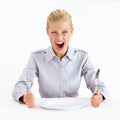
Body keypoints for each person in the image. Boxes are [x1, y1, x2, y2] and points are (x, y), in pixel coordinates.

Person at [12, 9, 109, 108]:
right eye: (54, 32)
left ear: (71, 32)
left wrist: (99, 96)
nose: (59, 38)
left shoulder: (82, 57)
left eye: (65, 32)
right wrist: (25, 97)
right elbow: (20, 86)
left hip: (74, 111)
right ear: (47, 32)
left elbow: (100, 86)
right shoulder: (36, 57)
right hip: (46, 112)